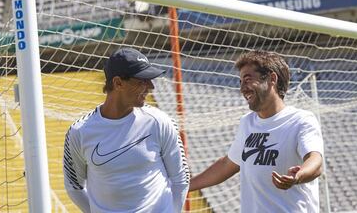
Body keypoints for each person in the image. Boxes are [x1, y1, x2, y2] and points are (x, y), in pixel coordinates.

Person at [189, 50, 324, 213]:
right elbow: (227, 164)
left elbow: (316, 161)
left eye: (248, 79)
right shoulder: (247, 122)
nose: (242, 88)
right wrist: (185, 186)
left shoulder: (301, 120)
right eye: (240, 82)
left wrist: (298, 176)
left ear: (272, 79)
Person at [63, 47, 190, 213]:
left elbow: (182, 179)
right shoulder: (79, 132)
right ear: (118, 83)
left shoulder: (160, 122)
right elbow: (74, 187)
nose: (151, 86)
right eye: (142, 81)